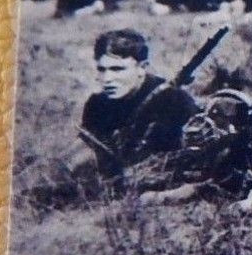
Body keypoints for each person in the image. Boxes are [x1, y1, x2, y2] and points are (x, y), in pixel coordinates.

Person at [68, 28, 199, 182]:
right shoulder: (97, 104)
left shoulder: (174, 101)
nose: (108, 78)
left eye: (118, 69)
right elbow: (87, 153)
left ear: (142, 67)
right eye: (102, 69)